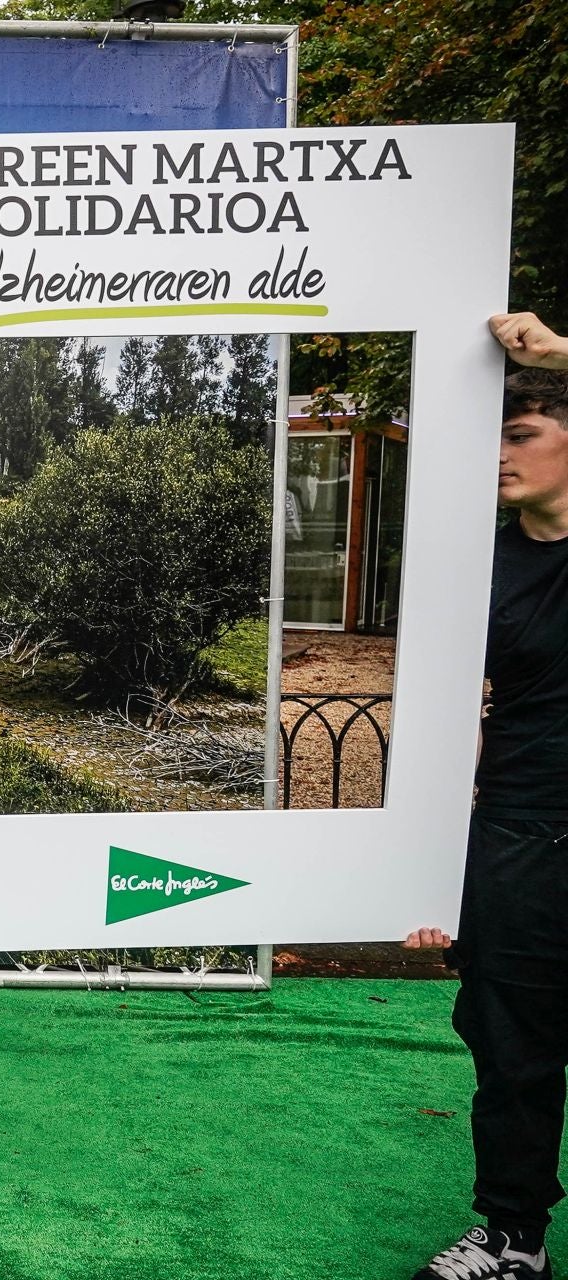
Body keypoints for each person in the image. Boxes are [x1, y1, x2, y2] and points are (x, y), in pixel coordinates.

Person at [404, 320, 568, 1280]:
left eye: (521, 433)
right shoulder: (484, 563)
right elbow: (454, 711)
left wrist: (559, 355)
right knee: (511, 1047)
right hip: (515, 831)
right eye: (491, 437)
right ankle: (515, 1240)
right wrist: (432, 863)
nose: (499, 454)